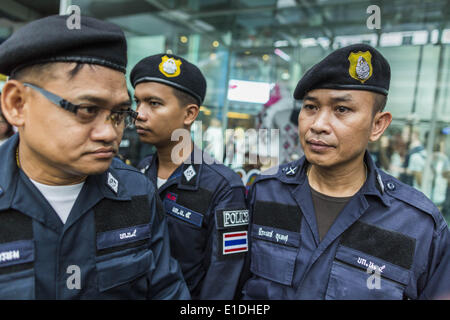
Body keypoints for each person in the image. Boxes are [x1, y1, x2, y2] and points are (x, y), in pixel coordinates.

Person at [0, 15, 189, 299]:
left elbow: (167, 290)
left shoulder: (137, 193)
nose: (108, 134)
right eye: (87, 109)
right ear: (17, 104)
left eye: (118, 115)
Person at [241, 43, 450, 299]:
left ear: (377, 125)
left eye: (342, 109)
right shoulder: (265, 193)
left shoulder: (417, 224)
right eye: (310, 107)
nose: (318, 125)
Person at [131, 54, 248, 299]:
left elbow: (224, 279)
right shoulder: (138, 173)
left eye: (153, 103)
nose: (139, 113)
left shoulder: (223, 188)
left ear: (189, 114)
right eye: (137, 102)